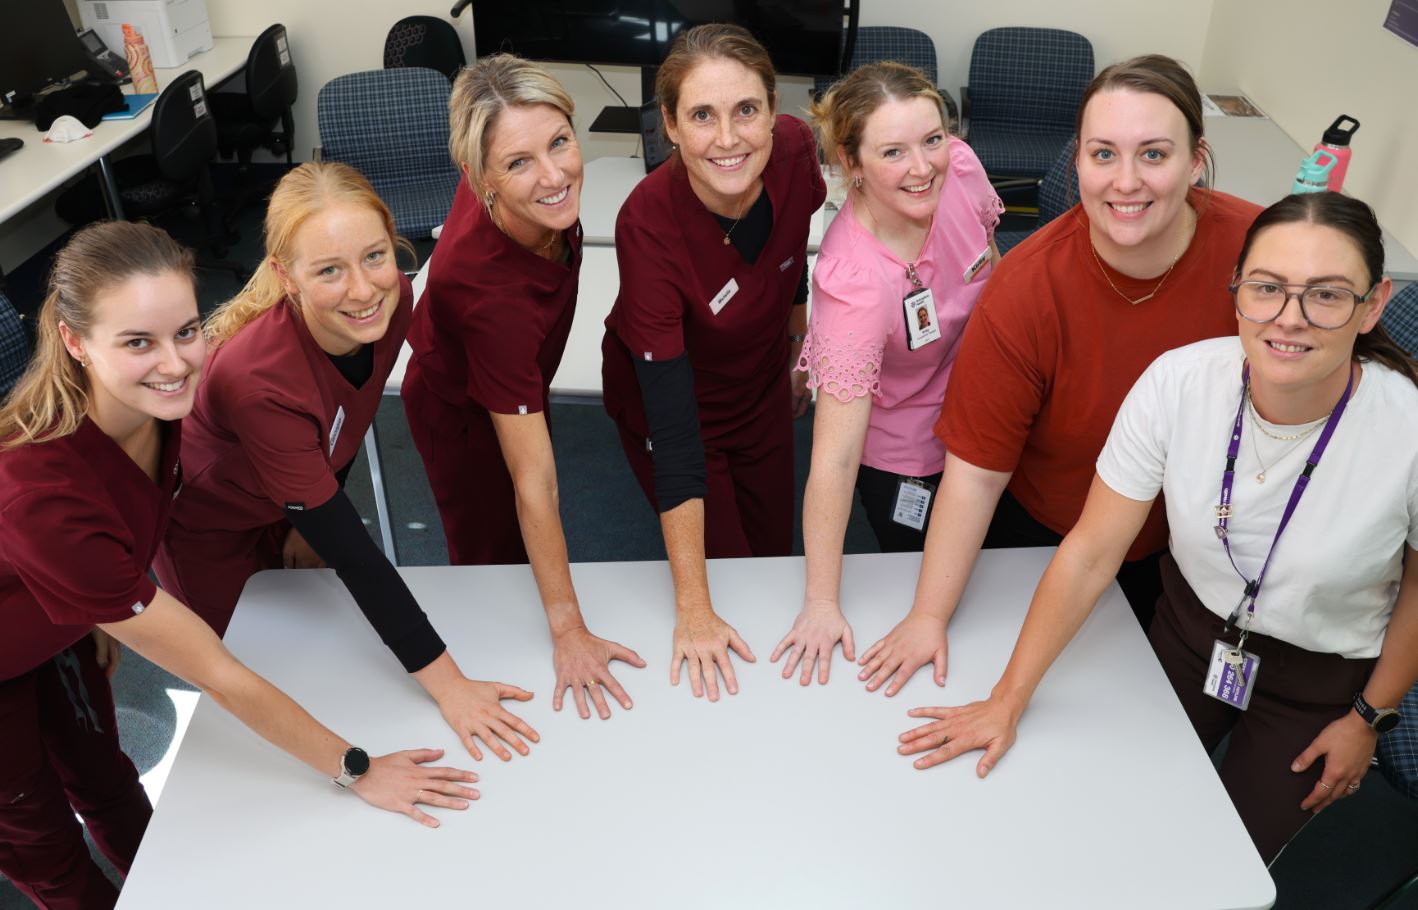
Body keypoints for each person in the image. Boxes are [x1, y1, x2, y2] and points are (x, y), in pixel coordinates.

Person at [897, 193, 1418, 864]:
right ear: (1237, 290)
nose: (1289, 318)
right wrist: (1007, 698)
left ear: (1372, 305)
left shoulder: (1404, 430)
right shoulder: (1179, 383)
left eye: (1326, 295)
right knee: (1115, 812)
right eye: (1267, 288)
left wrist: (1369, 717)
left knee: (1226, 863)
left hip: (1320, 678)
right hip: (1190, 638)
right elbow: (1090, 553)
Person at [0, 222, 478, 910]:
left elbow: (99, 540)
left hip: (44, 619)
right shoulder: (45, 494)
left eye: (185, 331)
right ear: (74, 342)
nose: (174, 363)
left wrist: (92, 610)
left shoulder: (152, 410)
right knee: (49, 856)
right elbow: (217, 675)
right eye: (137, 342)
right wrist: (358, 770)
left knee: (106, 781)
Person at [857, 54, 1263, 697]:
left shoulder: (1262, 256)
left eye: (1154, 154)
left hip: (1198, 549)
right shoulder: (1026, 289)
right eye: (1103, 154)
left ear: (1196, 160)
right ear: (1076, 162)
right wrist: (928, 616)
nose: (1126, 181)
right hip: (1052, 536)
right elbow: (975, 477)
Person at [154, 163, 539, 762]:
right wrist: (450, 686)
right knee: (257, 697)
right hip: (209, 532)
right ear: (286, 276)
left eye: (374, 256)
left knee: (330, 668)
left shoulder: (393, 300)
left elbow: (348, 417)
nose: (362, 290)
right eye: (329, 270)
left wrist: (316, 508)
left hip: (288, 499)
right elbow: (358, 558)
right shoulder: (258, 382)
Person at [401, 55, 644, 721]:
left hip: (513, 373)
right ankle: (492, 687)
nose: (555, 176)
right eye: (519, 164)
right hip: (459, 414)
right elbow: (535, 480)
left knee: (528, 519)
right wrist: (570, 631)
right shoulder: (489, 295)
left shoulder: (513, 180)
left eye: (560, 142)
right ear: (481, 178)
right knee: (493, 560)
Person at [600, 23, 826, 700]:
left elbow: (791, 251)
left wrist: (797, 341)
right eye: (702, 115)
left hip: (759, 386)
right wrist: (693, 611)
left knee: (774, 561)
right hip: (677, 411)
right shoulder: (648, 224)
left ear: (774, 109)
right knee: (725, 580)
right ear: (669, 126)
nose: (728, 138)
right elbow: (674, 437)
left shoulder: (794, 150)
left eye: (746, 110)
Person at [772, 62, 1002, 685]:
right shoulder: (853, 282)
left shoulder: (959, 167)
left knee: (1000, 574)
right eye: (893, 151)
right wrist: (821, 603)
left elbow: (992, 265)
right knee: (931, 591)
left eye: (931, 139)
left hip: (988, 411)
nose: (922, 167)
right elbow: (835, 457)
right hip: (906, 450)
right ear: (852, 163)